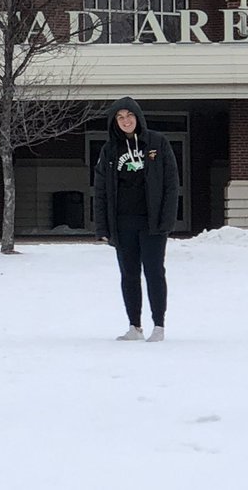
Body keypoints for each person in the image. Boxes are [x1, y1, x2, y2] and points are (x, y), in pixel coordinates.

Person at [93, 96, 180, 342]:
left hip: (152, 223)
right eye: (120, 117)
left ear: (137, 117)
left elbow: (171, 184)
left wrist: (167, 219)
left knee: (154, 272)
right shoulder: (109, 150)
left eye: (129, 116)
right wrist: (103, 226)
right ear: (114, 122)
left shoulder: (157, 143)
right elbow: (100, 190)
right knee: (128, 273)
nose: (125, 121)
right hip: (122, 223)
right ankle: (134, 326)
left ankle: (159, 326)